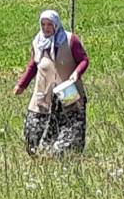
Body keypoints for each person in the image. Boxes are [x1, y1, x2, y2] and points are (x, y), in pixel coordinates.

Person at [12, 10, 89, 156]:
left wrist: (76, 73)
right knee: (33, 131)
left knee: (70, 127)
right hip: (43, 94)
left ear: (56, 24)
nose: (46, 28)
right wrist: (22, 84)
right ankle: (41, 156)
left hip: (67, 91)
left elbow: (84, 60)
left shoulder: (70, 40)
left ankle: (66, 157)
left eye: (49, 24)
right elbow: (33, 66)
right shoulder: (38, 43)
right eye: (43, 24)